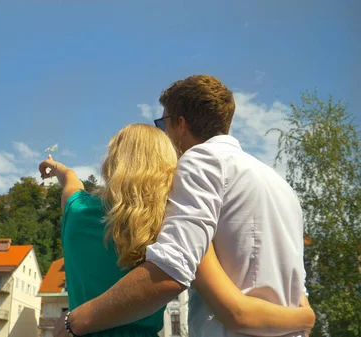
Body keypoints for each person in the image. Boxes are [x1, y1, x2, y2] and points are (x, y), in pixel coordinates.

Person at [52, 75, 310, 337]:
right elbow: (296, 286)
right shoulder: (280, 185)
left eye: (163, 123)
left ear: (180, 124)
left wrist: (75, 321)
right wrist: (305, 318)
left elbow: (170, 272)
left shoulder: (201, 161)